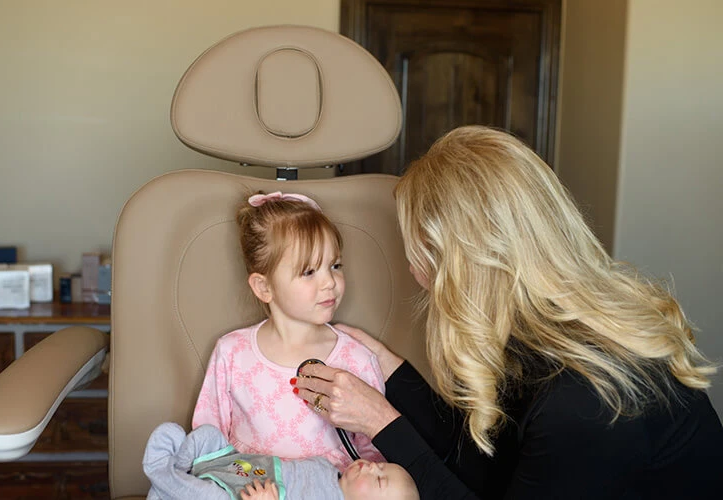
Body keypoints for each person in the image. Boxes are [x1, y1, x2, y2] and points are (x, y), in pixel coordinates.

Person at [292, 125, 723, 499]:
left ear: (464, 266)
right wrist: (391, 370)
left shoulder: (586, 401)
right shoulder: (544, 338)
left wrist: (381, 422)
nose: (412, 270)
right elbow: (490, 467)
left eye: (421, 255)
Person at [192, 191, 385, 472]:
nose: (330, 282)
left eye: (335, 265)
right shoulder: (232, 353)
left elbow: (373, 453)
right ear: (264, 287)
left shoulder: (357, 359)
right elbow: (208, 439)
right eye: (309, 272)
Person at [143, 422, 418, 500]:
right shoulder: (328, 467)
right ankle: (178, 473)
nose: (371, 466)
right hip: (238, 468)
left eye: (380, 479)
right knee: (208, 436)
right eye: (380, 464)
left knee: (209, 497)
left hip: (237, 495)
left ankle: (164, 476)